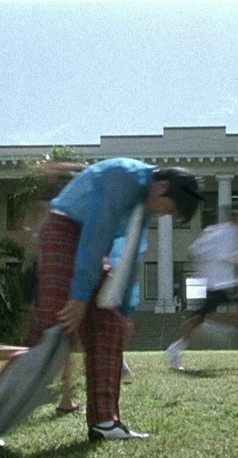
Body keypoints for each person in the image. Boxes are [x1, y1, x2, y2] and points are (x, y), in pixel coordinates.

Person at [29, 157, 201, 441]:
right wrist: (80, 296)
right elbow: (95, 234)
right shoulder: (124, 178)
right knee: (54, 328)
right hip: (64, 230)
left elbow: (130, 255)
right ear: (162, 187)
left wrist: (126, 311)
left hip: (93, 247)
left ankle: (104, 422)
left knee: (109, 326)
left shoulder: (143, 204)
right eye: (169, 209)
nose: (164, 215)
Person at [164, 203, 238, 371]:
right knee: (196, 319)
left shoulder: (232, 232)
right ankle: (177, 348)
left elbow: (197, 251)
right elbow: (199, 251)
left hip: (229, 283)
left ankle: (218, 329)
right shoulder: (218, 232)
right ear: (232, 215)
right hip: (216, 284)